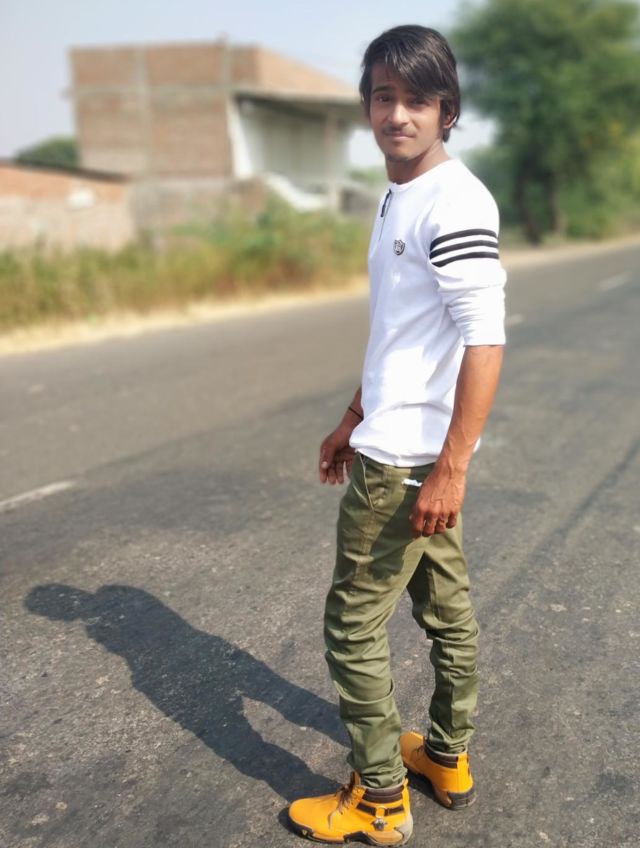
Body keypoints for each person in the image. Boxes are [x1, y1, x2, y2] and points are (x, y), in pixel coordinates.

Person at [287, 24, 506, 846]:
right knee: (446, 611)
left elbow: (484, 341)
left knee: (352, 625)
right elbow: (400, 335)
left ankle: (379, 797)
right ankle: (446, 756)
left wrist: (452, 469)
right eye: (384, 97)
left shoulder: (455, 201)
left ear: (447, 110)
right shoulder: (398, 195)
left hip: (408, 463)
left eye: (418, 99)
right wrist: (353, 415)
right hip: (404, 445)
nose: (398, 115)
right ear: (366, 107)